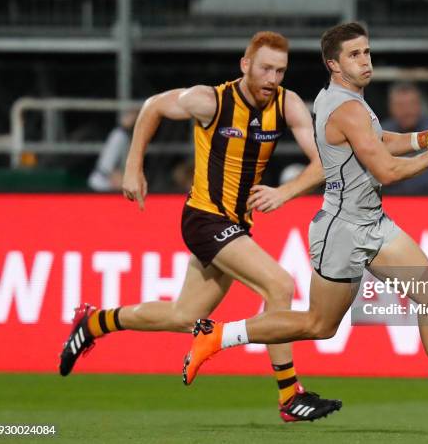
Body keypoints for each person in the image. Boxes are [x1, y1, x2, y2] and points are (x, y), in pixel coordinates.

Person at [182, 22, 428, 424]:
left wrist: (424, 139)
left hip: (371, 221)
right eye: (355, 55)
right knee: (319, 325)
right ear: (334, 65)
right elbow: (387, 170)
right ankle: (218, 335)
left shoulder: (346, 100)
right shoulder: (347, 108)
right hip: (341, 232)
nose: (365, 61)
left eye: (367, 52)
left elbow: (376, 140)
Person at [59, 31, 343, 423]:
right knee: (279, 285)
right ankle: (289, 394)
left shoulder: (287, 103)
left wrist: (286, 192)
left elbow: (321, 162)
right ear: (245, 65)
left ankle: (94, 322)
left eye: (279, 70)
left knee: (183, 316)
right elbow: (152, 107)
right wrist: (132, 166)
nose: (272, 78)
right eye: (265, 68)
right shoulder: (210, 100)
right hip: (204, 219)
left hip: (236, 225)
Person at [382, 82, 428, 194]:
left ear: (420, 105)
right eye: (400, 105)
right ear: (390, 107)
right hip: (392, 198)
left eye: (411, 104)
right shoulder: (381, 131)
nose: (406, 111)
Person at [88, 109, 139, 192]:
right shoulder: (119, 135)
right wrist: (117, 178)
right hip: (102, 185)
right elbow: (106, 165)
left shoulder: (125, 136)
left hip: (106, 184)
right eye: (130, 116)